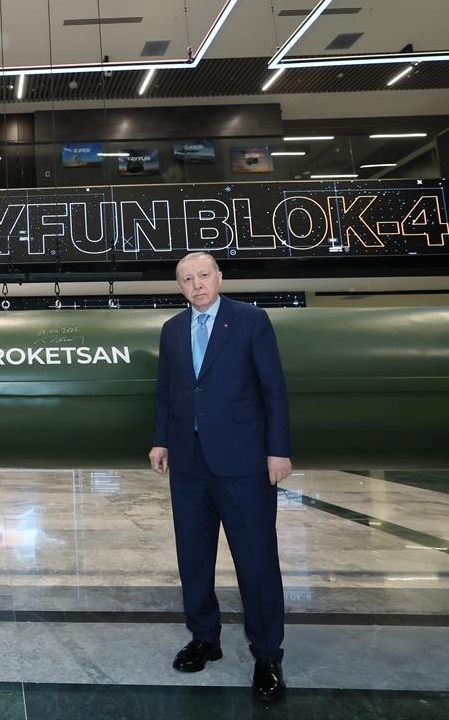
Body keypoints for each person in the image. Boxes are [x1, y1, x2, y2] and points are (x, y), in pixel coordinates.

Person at [148, 251, 292, 703]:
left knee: (256, 558)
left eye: (203, 275)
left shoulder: (251, 321)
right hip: (188, 463)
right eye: (187, 279)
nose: (197, 284)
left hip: (244, 462)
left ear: (219, 277)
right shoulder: (172, 329)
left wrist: (278, 450)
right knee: (193, 556)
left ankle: (267, 654)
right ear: (179, 287)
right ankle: (204, 638)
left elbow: (273, 389)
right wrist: (161, 440)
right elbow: (166, 391)